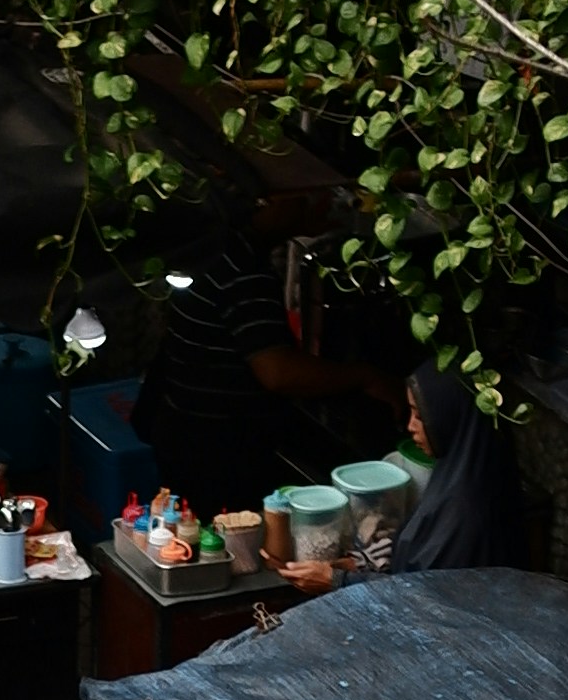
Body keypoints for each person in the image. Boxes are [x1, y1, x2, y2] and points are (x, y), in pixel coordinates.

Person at [128, 195, 405, 527]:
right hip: (215, 446)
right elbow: (277, 372)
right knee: (224, 538)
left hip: (183, 429)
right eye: (301, 200)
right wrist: (365, 376)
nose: (317, 204)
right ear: (264, 202)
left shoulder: (215, 244)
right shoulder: (243, 270)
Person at [380, 355, 519, 571]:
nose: (410, 426)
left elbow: (425, 595)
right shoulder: (456, 472)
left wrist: (340, 580)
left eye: (419, 415)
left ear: (448, 417)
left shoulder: (464, 514)